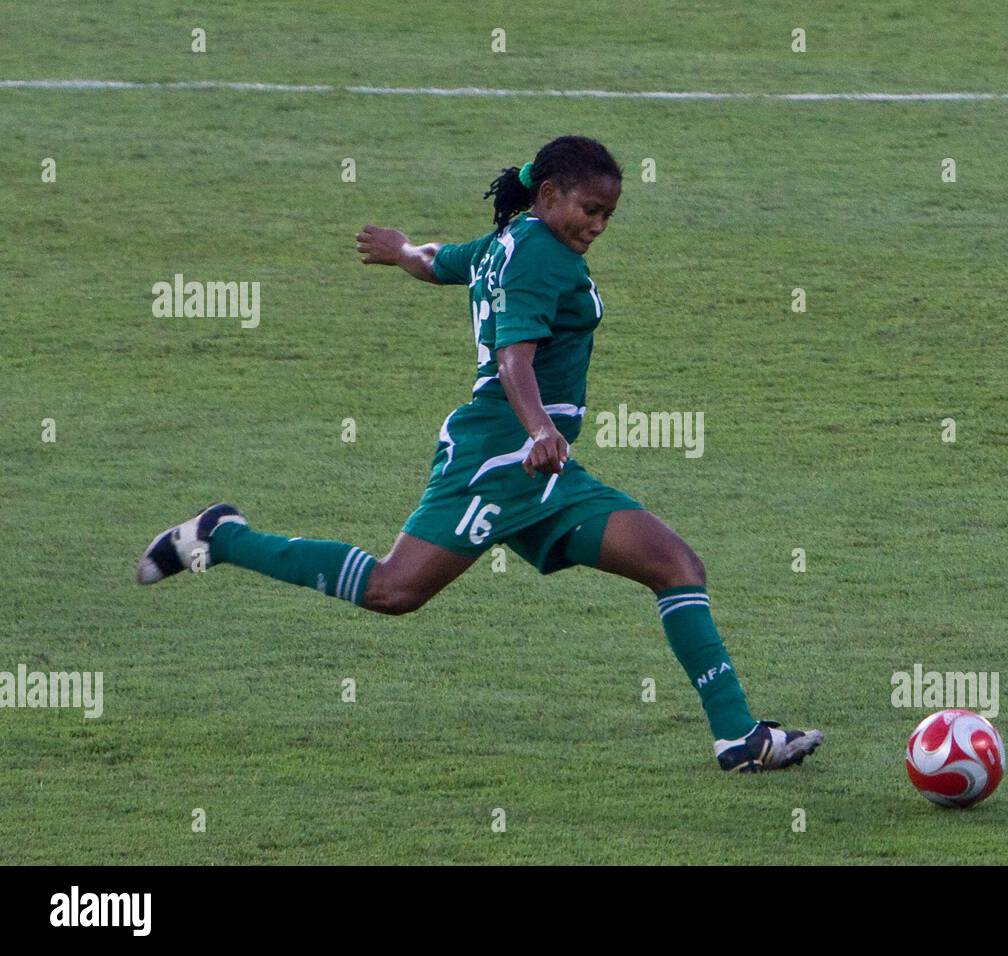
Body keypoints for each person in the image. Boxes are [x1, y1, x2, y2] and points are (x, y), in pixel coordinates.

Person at [137, 135, 822, 773]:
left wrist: (402, 250)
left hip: (544, 474)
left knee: (675, 565)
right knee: (392, 590)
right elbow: (513, 357)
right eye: (590, 209)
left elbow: (442, 261)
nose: (599, 226)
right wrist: (537, 431)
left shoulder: (511, 241)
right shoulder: (541, 257)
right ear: (549, 194)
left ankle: (740, 737)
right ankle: (222, 537)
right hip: (501, 459)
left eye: (610, 214)